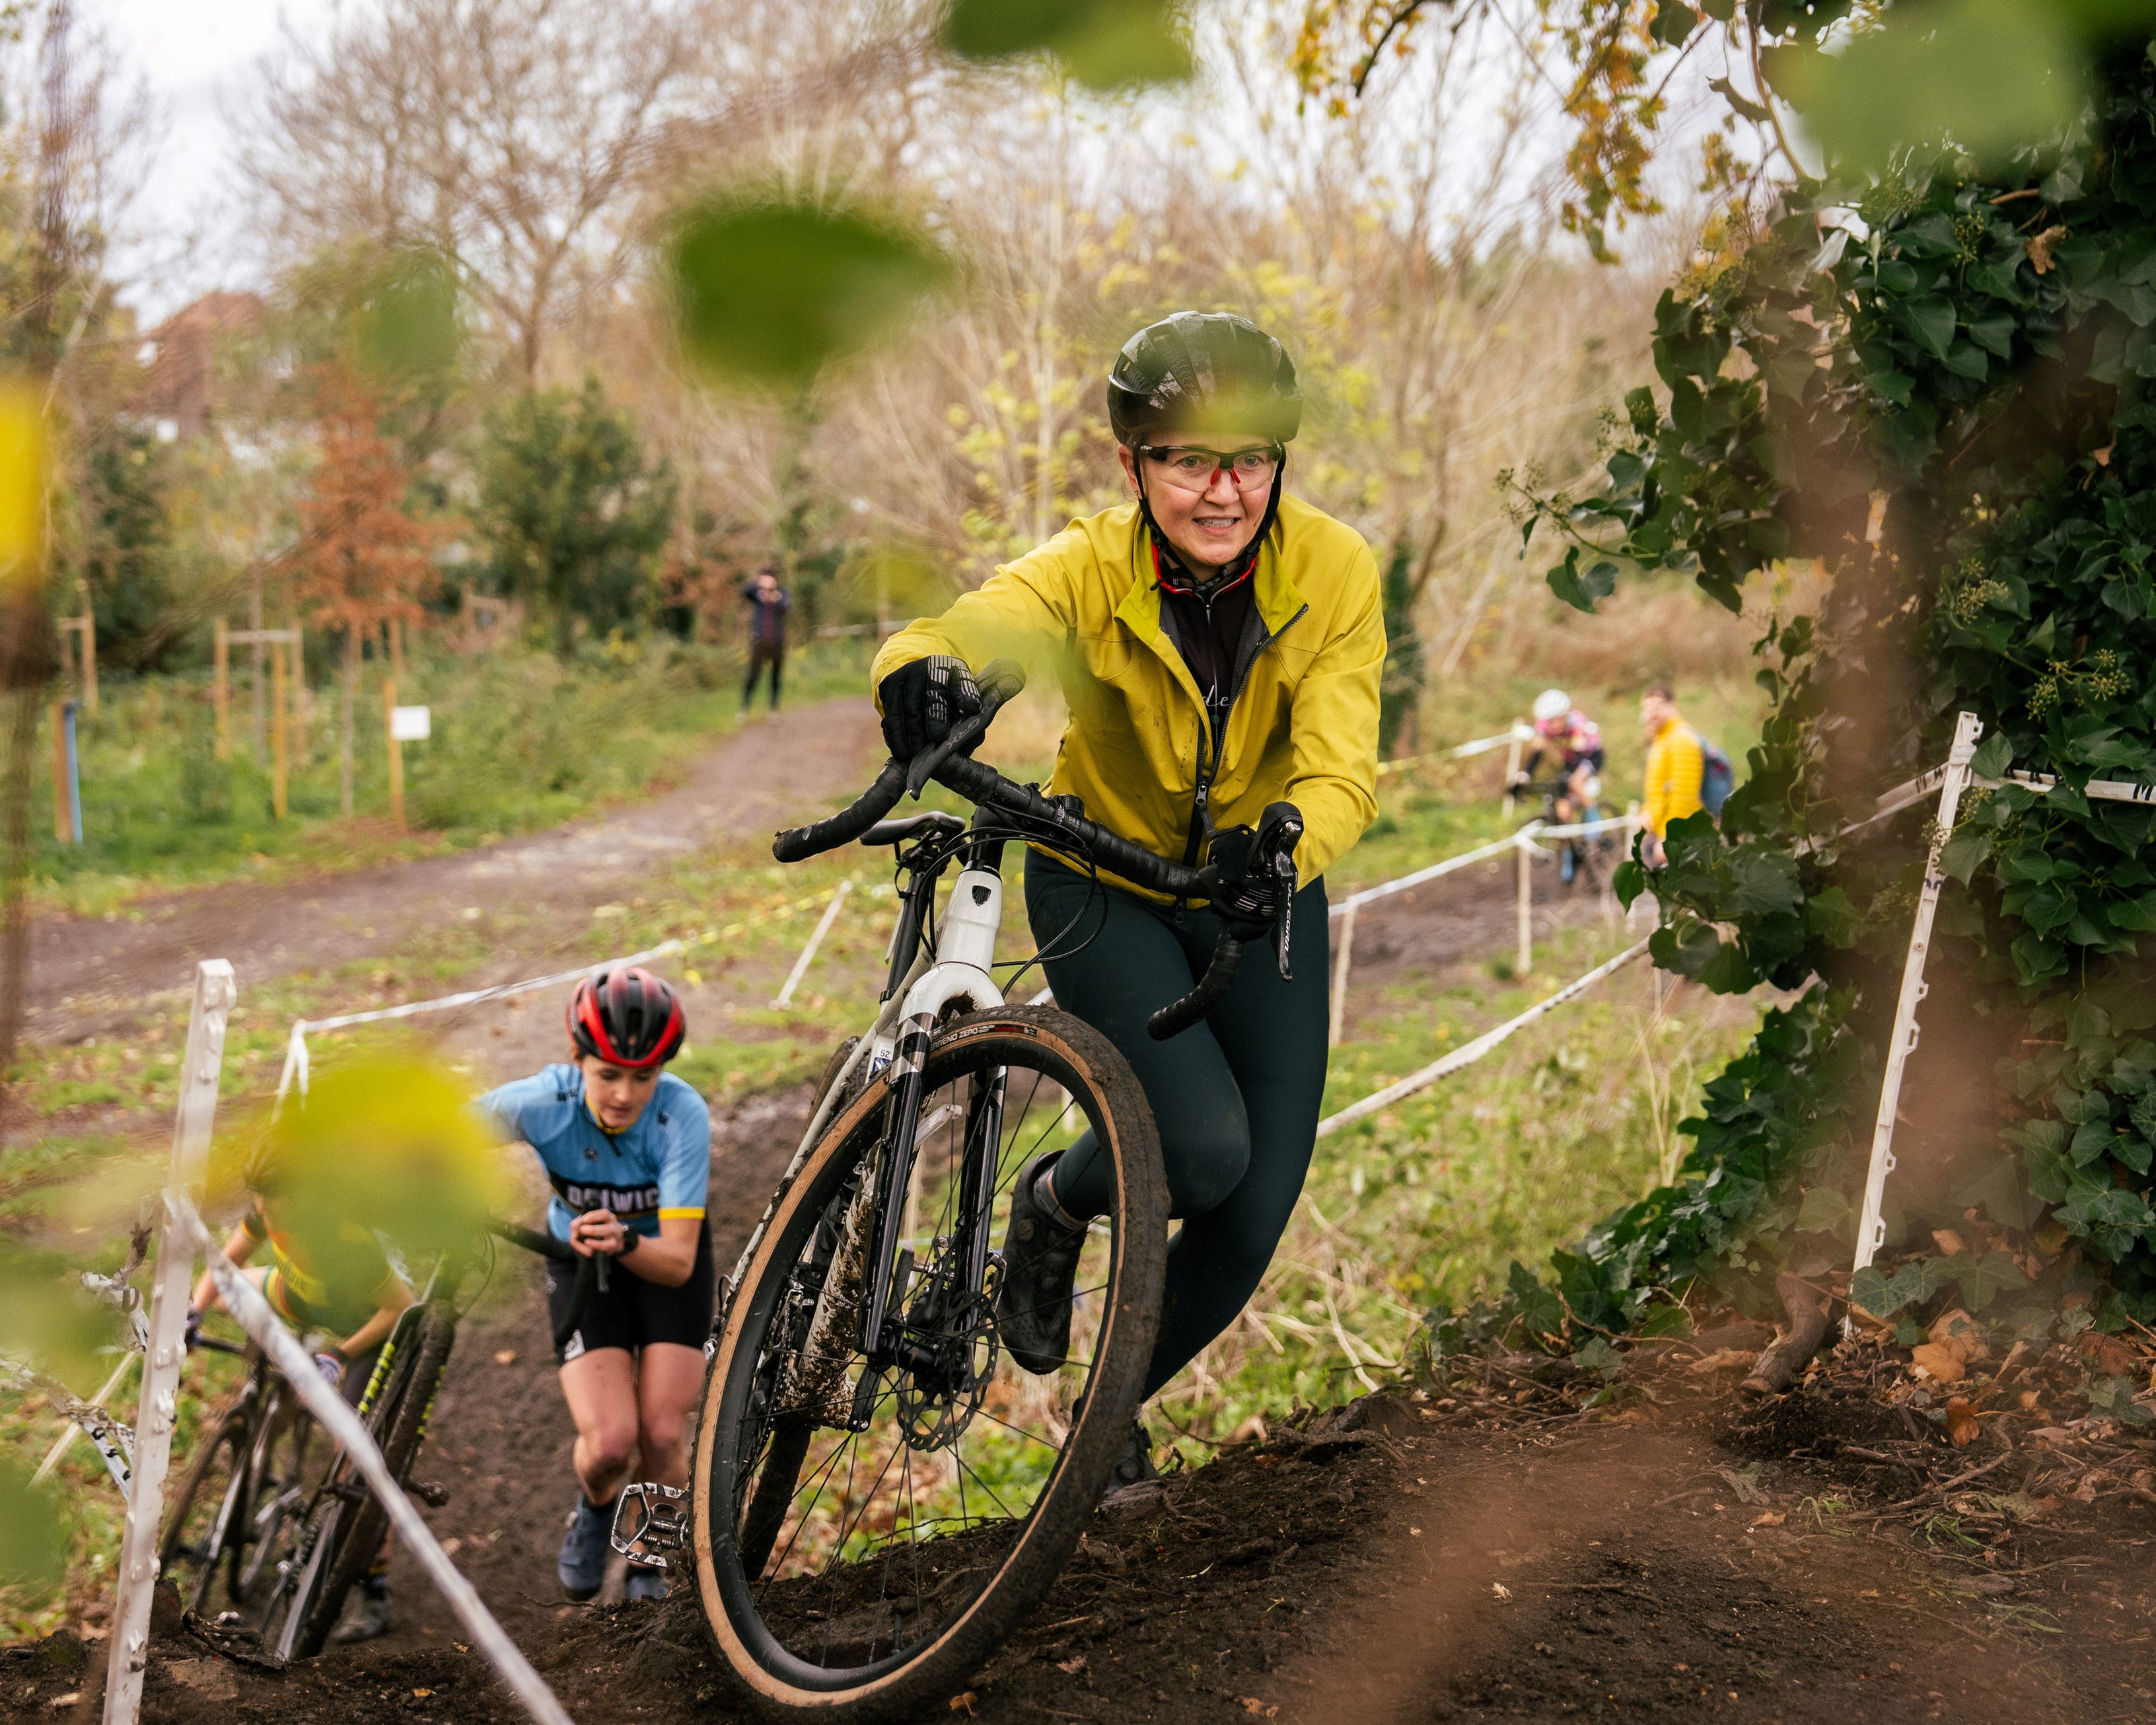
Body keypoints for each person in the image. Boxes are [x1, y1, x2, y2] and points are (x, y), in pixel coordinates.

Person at [870, 310, 1383, 1491]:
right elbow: (972, 622)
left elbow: (1342, 759)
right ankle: (1055, 1202)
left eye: (1247, 458)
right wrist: (917, 671)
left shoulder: (1333, 569)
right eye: (1186, 459)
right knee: (1195, 1157)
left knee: (1249, 1217)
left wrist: (1290, 842)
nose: (1221, 490)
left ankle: (1104, 1419)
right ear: (1132, 465)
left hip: (1262, 888)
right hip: (1103, 877)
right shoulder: (1090, 566)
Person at [477, 967, 712, 1604]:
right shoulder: (540, 1103)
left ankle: (649, 1562)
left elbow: (678, 1264)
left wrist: (628, 1238)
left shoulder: (682, 1115)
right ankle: (596, 1504)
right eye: (608, 1073)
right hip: (582, 1265)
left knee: (662, 1433)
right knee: (609, 1444)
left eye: (644, 1076)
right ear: (576, 1058)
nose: (624, 1095)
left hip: (661, 1260)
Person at [190, 1146, 416, 1642]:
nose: (266, 1214)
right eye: (260, 1202)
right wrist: (194, 1311)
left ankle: (374, 1588)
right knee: (234, 1289)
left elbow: (401, 1307)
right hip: (302, 1296)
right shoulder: (267, 1207)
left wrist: (339, 1352)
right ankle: (271, 1391)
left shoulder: (346, 1236)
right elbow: (225, 1265)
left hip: (364, 1328)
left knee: (352, 1454)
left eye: (276, 1204)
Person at [1515, 688, 1605, 881]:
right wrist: (1525, 774)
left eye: (1555, 720)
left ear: (1565, 715)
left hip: (1591, 756)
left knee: (1575, 782)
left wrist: (1570, 779)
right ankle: (1568, 857)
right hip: (1571, 762)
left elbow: (1580, 755)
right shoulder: (1544, 727)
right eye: (1549, 721)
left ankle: (1594, 818)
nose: (1552, 725)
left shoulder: (1577, 723)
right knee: (1563, 812)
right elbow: (1537, 752)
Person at [1640, 680, 1704, 868]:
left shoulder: (1682, 739)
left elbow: (1684, 795)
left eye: (1658, 706)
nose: (1652, 713)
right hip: (1659, 832)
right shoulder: (1662, 739)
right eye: (1647, 708)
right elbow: (1659, 788)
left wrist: (1671, 838)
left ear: (1672, 706)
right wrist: (1647, 813)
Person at [740, 566, 789, 713]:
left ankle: (773, 708)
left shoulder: (782, 594)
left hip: (777, 641)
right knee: (753, 675)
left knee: (775, 676)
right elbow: (743, 591)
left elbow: (786, 606)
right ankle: (744, 707)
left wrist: (774, 595)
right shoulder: (756, 593)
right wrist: (759, 584)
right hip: (759, 641)